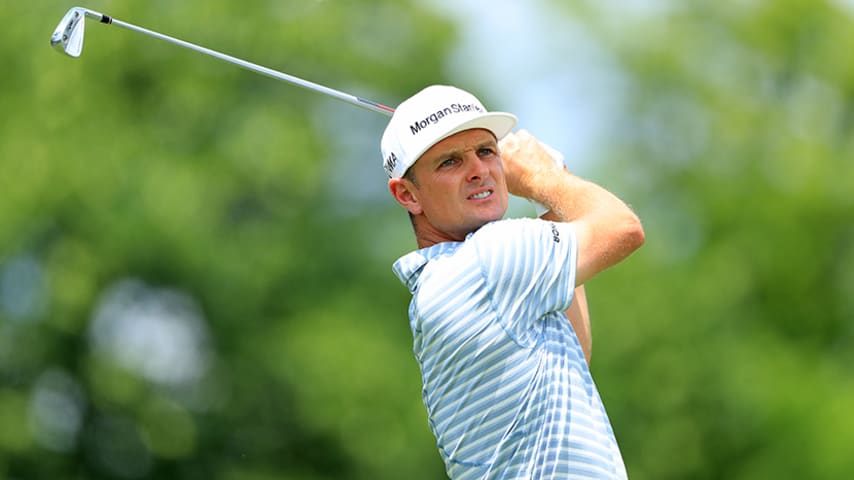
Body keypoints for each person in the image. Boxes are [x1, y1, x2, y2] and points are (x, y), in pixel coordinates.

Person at [381, 85, 645, 479]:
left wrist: (549, 199)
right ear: (408, 195)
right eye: (450, 161)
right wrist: (543, 177)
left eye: (487, 151)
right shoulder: (489, 259)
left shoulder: (452, 279)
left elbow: (575, 349)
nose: (478, 170)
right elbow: (623, 228)